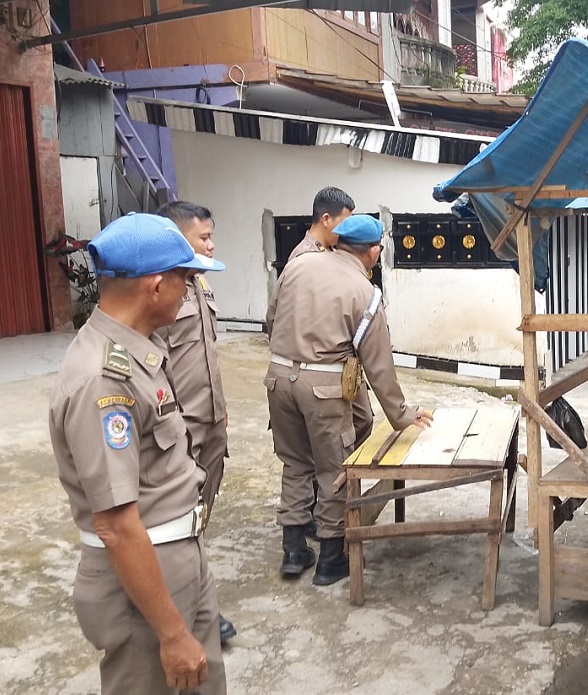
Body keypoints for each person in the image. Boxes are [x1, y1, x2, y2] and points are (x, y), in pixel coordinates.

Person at [48, 212, 227, 694]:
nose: (190, 291)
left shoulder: (133, 351)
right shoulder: (104, 381)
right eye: (185, 280)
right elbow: (116, 524)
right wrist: (171, 634)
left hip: (174, 559)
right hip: (143, 582)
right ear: (154, 286)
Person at [266, 212, 433, 586]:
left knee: (295, 464)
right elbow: (378, 364)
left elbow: (272, 316)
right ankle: (330, 558)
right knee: (334, 471)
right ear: (372, 252)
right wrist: (401, 414)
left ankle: (293, 549)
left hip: (278, 378)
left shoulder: (297, 264)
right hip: (323, 388)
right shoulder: (364, 292)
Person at [154, 201, 236, 645]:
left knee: (198, 518)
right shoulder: (158, 294)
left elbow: (206, 355)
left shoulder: (198, 285)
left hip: (209, 421)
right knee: (175, 525)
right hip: (177, 428)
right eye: (203, 237)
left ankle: (197, 603)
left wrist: (218, 406)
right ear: (175, 238)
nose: (211, 244)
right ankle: (188, 615)